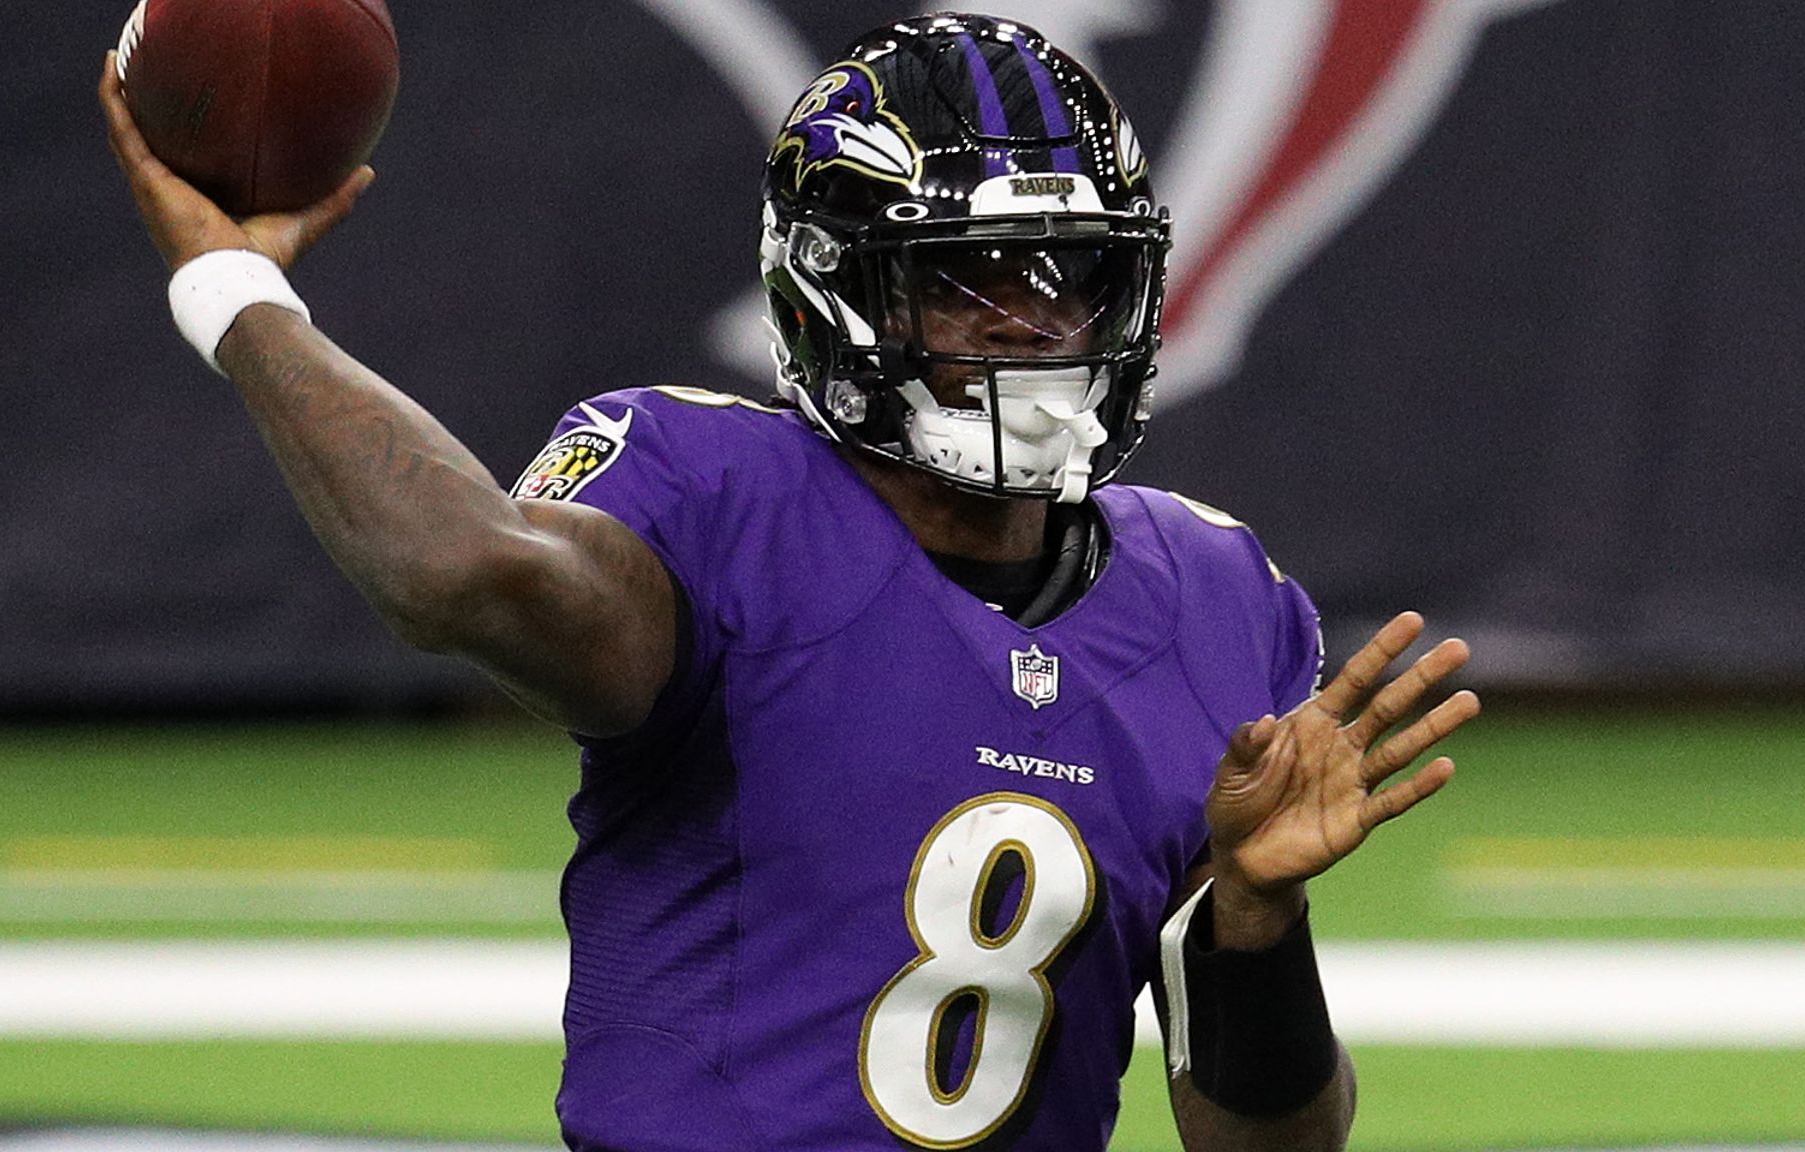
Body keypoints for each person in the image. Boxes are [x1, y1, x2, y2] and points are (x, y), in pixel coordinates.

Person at [100, 13, 1478, 1151]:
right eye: (972, 284)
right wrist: (238, 294)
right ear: (838, 298)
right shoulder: (711, 495)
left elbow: (1270, 1146)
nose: (1040, 327)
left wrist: (1257, 919)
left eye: (1073, 282)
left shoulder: (1218, 595)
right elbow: (458, 573)